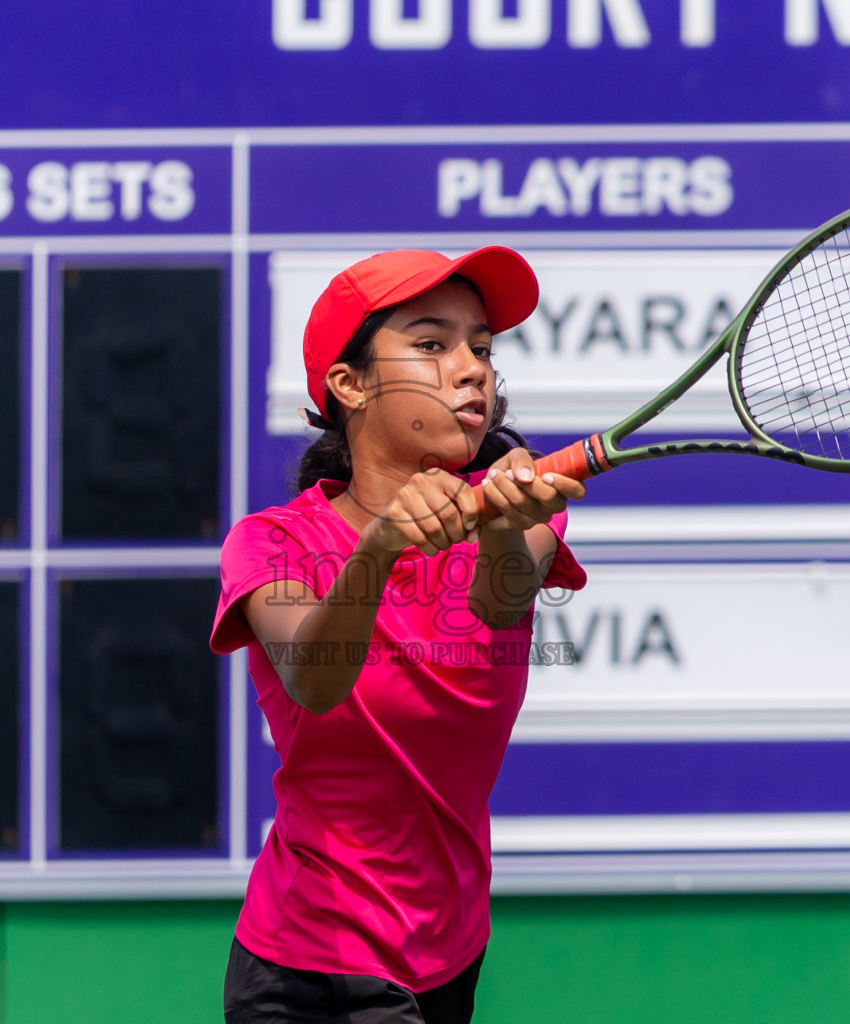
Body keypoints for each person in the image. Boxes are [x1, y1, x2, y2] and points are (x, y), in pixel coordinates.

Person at [211, 247, 587, 1023]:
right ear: (350, 385)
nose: (472, 369)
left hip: (450, 951)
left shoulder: (525, 512)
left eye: (481, 348)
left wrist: (504, 523)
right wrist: (378, 547)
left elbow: (498, 607)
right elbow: (315, 679)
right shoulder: (271, 542)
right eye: (431, 344)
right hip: (314, 962)